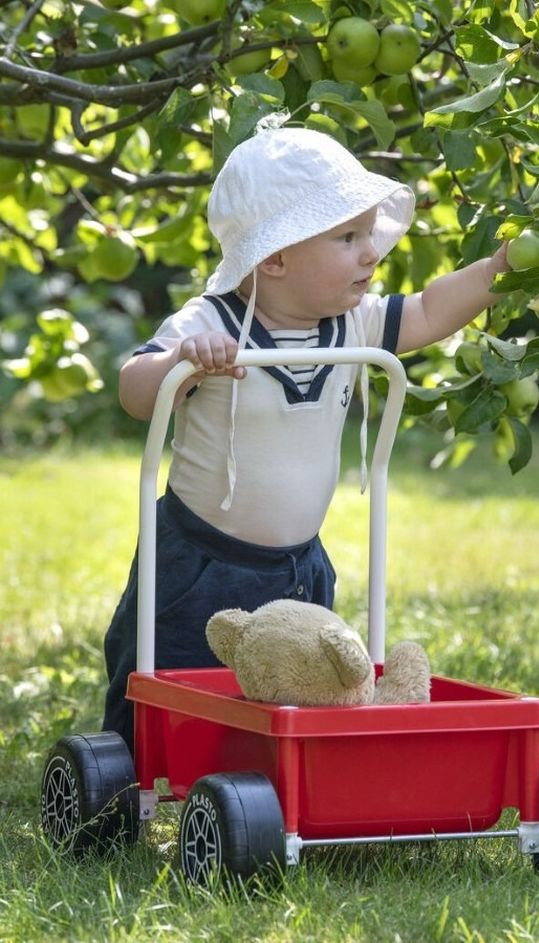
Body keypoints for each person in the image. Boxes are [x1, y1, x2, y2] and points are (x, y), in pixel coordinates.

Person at [102, 120, 510, 752]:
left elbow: (430, 310)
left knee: (301, 684)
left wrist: (501, 268)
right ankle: (128, 776)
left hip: (300, 566)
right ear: (276, 255)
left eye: (368, 233)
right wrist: (184, 361)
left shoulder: (353, 324)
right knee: (167, 683)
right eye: (348, 237)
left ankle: (279, 777)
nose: (371, 252)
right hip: (200, 562)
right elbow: (134, 390)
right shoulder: (213, 320)